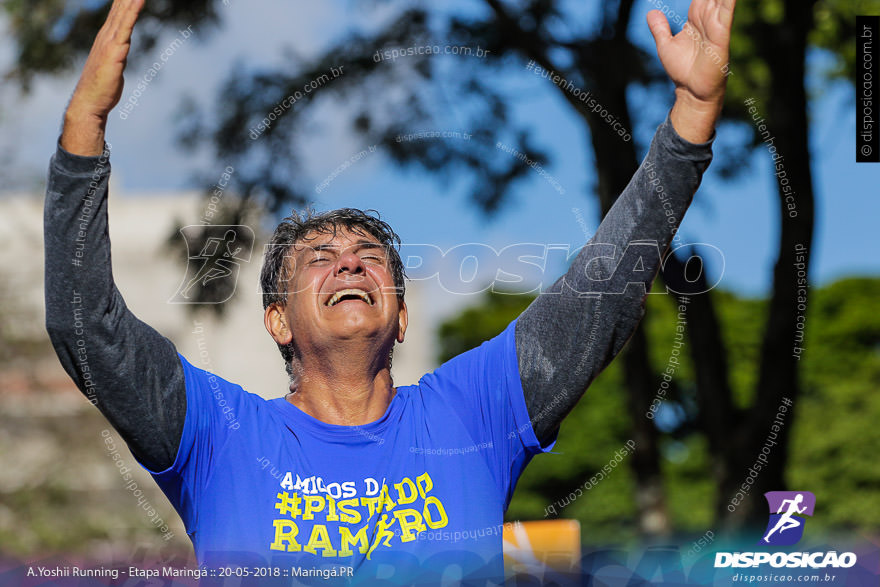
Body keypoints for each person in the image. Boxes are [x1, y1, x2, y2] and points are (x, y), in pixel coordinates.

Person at [44, 0, 735, 582]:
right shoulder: (218, 434)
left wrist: (691, 117)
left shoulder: (473, 413)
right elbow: (85, 327)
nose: (349, 265)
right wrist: (84, 130)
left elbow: (601, 292)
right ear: (277, 320)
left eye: (369, 257)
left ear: (402, 316)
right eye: (321, 257)